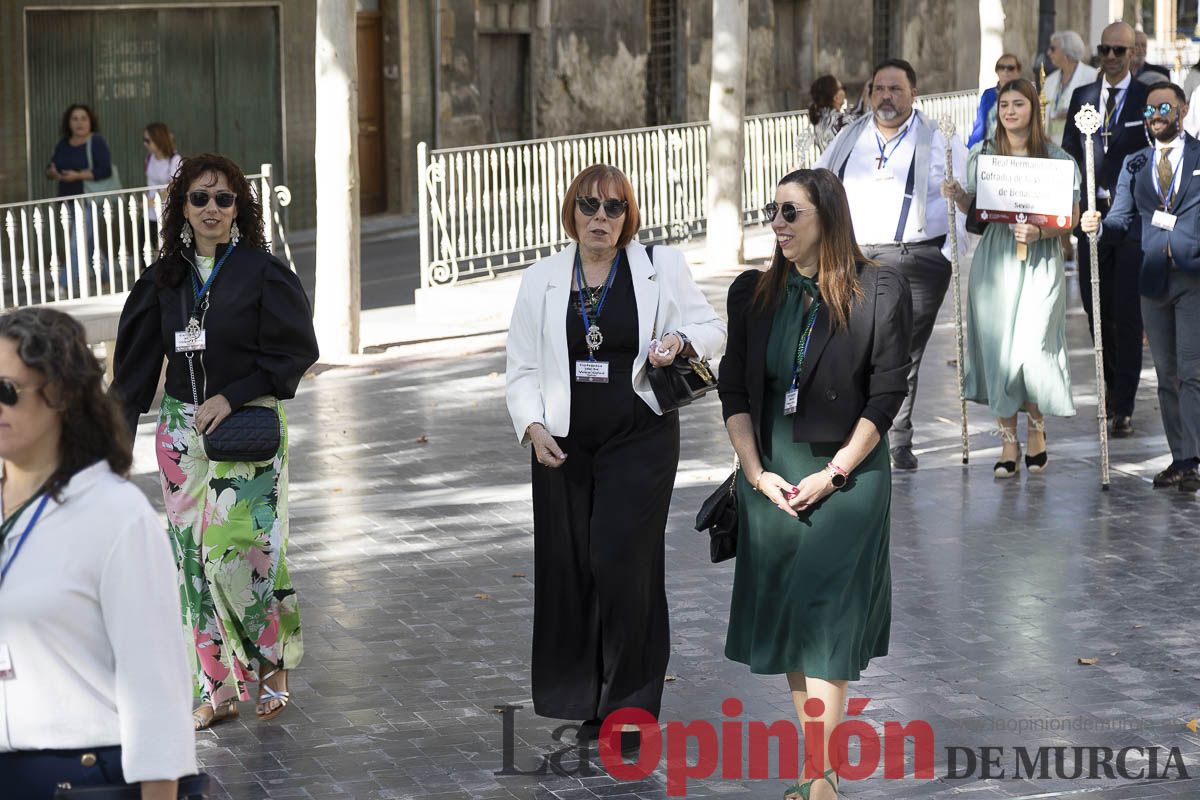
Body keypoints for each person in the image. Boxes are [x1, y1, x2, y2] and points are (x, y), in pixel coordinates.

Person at [504, 164, 726, 751]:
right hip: (563, 443)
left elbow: (710, 327)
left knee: (623, 561)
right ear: (570, 211)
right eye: (589, 205)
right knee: (571, 565)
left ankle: (630, 707)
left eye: (614, 207)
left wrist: (682, 341)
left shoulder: (659, 266)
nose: (601, 217)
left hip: (641, 436)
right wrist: (530, 423)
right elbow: (521, 366)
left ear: (629, 215)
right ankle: (584, 700)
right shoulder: (543, 278)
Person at [718, 168, 912, 800]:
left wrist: (835, 473)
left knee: (827, 614)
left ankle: (820, 777)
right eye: (773, 212)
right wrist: (754, 472)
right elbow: (736, 391)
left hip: (848, 480)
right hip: (773, 479)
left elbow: (886, 396)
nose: (777, 224)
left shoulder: (880, 289)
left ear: (827, 216)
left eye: (791, 213)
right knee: (798, 620)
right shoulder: (753, 294)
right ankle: (814, 770)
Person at [112, 154, 319, 730]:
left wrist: (235, 393)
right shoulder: (163, 281)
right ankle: (216, 688)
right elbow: (131, 375)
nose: (211, 208)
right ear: (182, 207)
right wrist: (105, 453)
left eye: (223, 199)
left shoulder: (261, 272)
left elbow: (295, 351)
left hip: (247, 425)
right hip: (180, 434)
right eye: (199, 198)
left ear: (239, 210)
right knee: (191, 564)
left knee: (236, 549)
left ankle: (272, 660)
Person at [0, 307, 196, 799]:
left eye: (6, 391)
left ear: (61, 393)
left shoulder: (115, 515)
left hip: (82, 778)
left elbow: (157, 694)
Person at [816, 58, 967, 471]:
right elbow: (817, 183)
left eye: (895, 89)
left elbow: (968, 195)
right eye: (879, 89)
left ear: (913, 94)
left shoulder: (940, 138)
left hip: (915, 259)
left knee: (902, 350)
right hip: (853, 256)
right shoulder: (850, 137)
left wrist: (949, 255)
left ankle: (896, 438)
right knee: (848, 344)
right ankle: (853, 431)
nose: (886, 96)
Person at [943, 79, 1079, 478]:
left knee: (1032, 349)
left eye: (1019, 104)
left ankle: (1037, 429)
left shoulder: (1057, 159)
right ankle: (1008, 441)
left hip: (1040, 259)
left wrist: (1041, 232)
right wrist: (959, 196)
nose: (1010, 112)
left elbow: (1067, 219)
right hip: (996, 262)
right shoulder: (984, 156)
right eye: (1004, 105)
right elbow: (981, 214)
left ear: (1034, 110)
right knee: (1000, 352)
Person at [1081, 82, 1200, 492]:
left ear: (1182, 110)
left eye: (1164, 107)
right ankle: (1182, 457)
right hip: (1152, 279)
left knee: (1191, 371)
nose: (1156, 115)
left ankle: (1193, 458)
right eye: (1149, 110)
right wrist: (1095, 225)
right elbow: (1119, 220)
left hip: (1193, 277)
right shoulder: (1135, 162)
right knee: (1166, 375)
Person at [1062, 21, 1150, 438]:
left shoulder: (1146, 96)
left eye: (1119, 50)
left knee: (1126, 313)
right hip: (1089, 219)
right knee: (1096, 310)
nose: (1111, 57)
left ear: (1133, 53)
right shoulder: (1083, 97)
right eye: (1105, 50)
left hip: (1130, 221)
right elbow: (1067, 157)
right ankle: (1110, 388)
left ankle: (1124, 403)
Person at [44, 104, 114, 293]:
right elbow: (51, 168)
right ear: (68, 122)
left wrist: (78, 175)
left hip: (89, 202)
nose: (79, 122)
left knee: (77, 243)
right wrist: (52, 173)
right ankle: (107, 279)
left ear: (90, 121)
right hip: (68, 202)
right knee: (89, 244)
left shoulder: (96, 142)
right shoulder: (63, 144)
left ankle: (63, 285)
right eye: (75, 118)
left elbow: (105, 169)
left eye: (83, 118)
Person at [1044, 31, 1099, 146]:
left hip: (1078, 143)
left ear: (1066, 53)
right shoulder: (1050, 80)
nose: (1048, 53)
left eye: (1053, 49)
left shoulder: (1092, 76)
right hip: (1051, 145)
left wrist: (1072, 112)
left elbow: (1097, 110)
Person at [968, 54, 1022, 147]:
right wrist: (972, 148)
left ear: (1018, 71)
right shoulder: (988, 95)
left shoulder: (1024, 95)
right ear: (997, 71)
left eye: (1010, 68)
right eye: (1001, 67)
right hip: (991, 147)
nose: (1006, 71)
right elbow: (980, 124)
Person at [143, 122, 183, 244]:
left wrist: (154, 200)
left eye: (147, 140)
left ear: (158, 140)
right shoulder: (149, 158)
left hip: (167, 213)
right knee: (145, 248)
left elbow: (174, 186)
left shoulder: (175, 160)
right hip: (149, 212)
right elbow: (149, 183)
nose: (145, 144)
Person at [809, 75, 863, 153]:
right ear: (836, 97)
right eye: (843, 88)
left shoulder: (819, 121)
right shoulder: (843, 121)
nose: (844, 92)